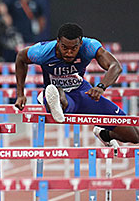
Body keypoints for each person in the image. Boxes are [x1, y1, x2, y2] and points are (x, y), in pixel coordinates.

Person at [15, 22, 139, 150]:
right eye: (64, 48)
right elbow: (21, 58)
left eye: (73, 49)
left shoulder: (89, 47)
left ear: (80, 44)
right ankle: (50, 96)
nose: (69, 53)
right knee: (61, 100)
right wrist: (20, 94)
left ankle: (104, 134)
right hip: (64, 97)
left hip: (83, 92)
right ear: (58, 42)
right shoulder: (42, 51)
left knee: (134, 136)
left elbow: (115, 66)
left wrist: (101, 86)